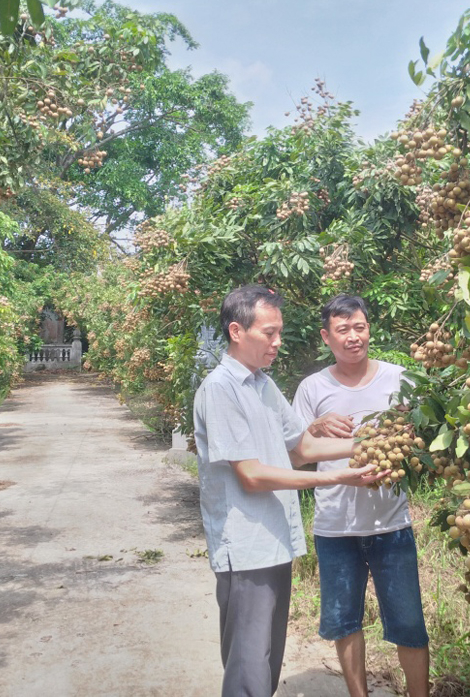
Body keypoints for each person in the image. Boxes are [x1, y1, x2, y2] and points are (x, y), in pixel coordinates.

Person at [193, 285, 384, 697]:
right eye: (269, 333)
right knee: (248, 668)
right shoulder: (221, 389)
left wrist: (369, 444)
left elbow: (303, 448)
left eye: (280, 332)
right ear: (236, 331)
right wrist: (335, 478)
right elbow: (252, 475)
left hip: (273, 542)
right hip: (245, 548)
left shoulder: (261, 384)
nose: (278, 342)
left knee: (266, 663)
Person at [292, 294, 430, 697]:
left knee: (409, 623)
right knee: (345, 622)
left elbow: (425, 437)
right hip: (335, 528)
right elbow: (294, 455)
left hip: (392, 523)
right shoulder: (312, 388)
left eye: (360, 327)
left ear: (369, 328)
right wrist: (315, 427)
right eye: (343, 330)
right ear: (326, 336)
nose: (354, 337)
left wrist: (409, 437)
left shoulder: (399, 378)